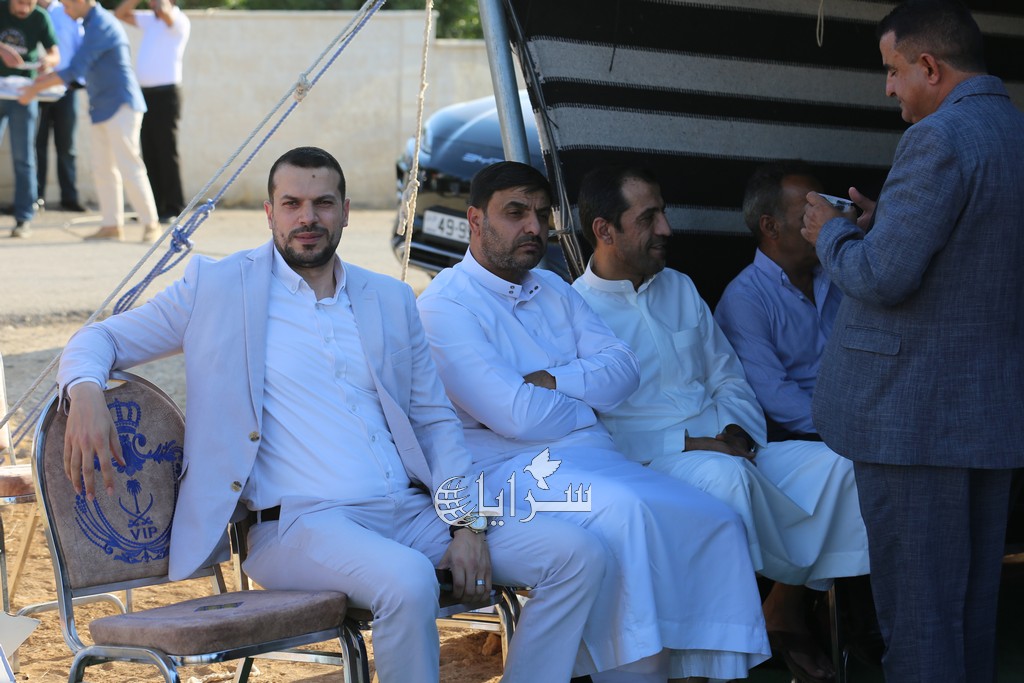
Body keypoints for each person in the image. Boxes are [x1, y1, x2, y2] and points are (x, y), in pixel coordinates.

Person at [57, 146, 608, 683]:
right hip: (297, 524)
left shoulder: (388, 298)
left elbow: (434, 421)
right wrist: (85, 393)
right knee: (409, 581)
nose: (308, 218)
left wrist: (466, 523)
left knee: (576, 555)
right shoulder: (217, 288)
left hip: (410, 513)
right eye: (292, 204)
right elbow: (99, 339)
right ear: (269, 212)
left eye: (322, 203)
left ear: (345, 212)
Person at [417, 161, 770, 683]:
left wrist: (553, 382)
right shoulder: (446, 305)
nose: (533, 227)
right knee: (632, 514)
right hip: (513, 473)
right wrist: (585, 403)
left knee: (715, 520)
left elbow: (624, 371)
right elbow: (515, 415)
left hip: (593, 458)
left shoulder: (553, 287)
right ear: (475, 220)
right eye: (515, 213)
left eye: (541, 214)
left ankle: (694, 672)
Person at [572, 165, 869, 683]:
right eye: (649, 218)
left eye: (663, 213)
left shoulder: (680, 287)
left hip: (733, 451)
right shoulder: (574, 311)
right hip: (655, 465)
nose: (666, 228)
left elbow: (729, 377)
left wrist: (736, 431)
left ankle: (789, 608)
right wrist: (693, 442)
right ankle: (710, 661)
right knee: (724, 480)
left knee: (842, 465)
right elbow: (593, 432)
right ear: (605, 230)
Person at [800, 2, 1024, 682]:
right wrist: (886, 219)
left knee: (921, 619)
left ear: (929, 66)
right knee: (968, 614)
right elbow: (971, 254)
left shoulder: (938, 138)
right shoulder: (1012, 131)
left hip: (913, 419)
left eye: (893, 70)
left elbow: (882, 276)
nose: (888, 87)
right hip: (985, 411)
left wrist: (831, 232)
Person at [715, 161, 842, 441]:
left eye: (825, 213)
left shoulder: (839, 275)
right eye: (809, 216)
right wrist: (852, 429)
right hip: (805, 437)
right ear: (770, 227)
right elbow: (776, 396)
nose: (825, 225)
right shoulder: (745, 299)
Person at [19, 0, 160, 243]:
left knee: (130, 166)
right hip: (102, 107)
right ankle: (111, 226)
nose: (64, 11)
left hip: (121, 105)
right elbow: (75, 69)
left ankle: (151, 225)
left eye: (67, 5)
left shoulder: (101, 24)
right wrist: (42, 81)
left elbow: (76, 69)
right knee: (103, 168)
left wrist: (34, 89)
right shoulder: (90, 23)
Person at [115, 0, 189, 223]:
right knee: (148, 150)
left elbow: (165, 12)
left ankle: (174, 207)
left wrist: (161, 4)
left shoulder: (178, 20)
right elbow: (120, 13)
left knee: (166, 150)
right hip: (145, 94)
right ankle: (153, 208)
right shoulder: (150, 20)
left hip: (166, 94)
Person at [0, 0, 58, 238]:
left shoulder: (41, 17)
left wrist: (48, 62)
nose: (25, 7)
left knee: (24, 157)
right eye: (20, 2)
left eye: (30, 3)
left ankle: (24, 218)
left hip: (25, 93)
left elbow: (55, 53)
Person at [35, 0, 85, 213]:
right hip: (36, 89)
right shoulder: (28, 12)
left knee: (66, 146)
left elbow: (81, 46)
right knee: (36, 145)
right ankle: (35, 198)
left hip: (65, 89)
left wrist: (76, 81)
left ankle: (69, 198)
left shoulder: (68, 11)